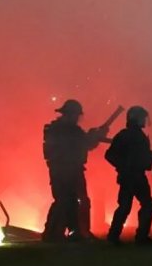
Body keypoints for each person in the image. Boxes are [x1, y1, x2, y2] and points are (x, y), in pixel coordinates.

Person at [42, 100, 111, 242]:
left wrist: (94, 135)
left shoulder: (60, 129)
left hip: (67, 170)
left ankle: (74, 232)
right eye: (74, 115)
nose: (76, 118)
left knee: (70, 201)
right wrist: (95, 135)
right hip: (66, 170)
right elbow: (84, 143)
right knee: (66, 201)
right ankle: (57, 233)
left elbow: (84, 142)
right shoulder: (66, 130)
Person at [105, 106, 152, 245]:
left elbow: (141, 155)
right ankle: (140, 237)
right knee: (145, 204)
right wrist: (124, 166)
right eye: (142, 118)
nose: (144, 121)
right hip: (133, 176)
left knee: (126, 206)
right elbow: (110, 155)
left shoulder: (126, 134)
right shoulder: (131, 135)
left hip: (131, 176)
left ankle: (114, 236)